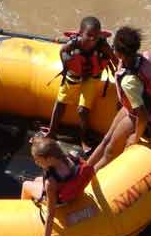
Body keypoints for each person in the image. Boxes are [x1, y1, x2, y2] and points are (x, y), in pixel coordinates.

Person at [87, 26, 151, 171]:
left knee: (109, 150)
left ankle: (88, 177)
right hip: (133, 108)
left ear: (120, 53)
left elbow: (143, 115)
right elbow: (121, 63)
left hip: (137, 117)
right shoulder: (146, 58)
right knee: (107, 138)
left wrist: (136, 137)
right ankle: (86, 166)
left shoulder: (129, 83)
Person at [45, 16, 118, 153]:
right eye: (89, 35)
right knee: (60, 102)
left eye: (95, 36)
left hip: (92, 77)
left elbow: (114, 59)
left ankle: (84, 138)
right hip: (74, 74)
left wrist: (119, 76)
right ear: (80, 33)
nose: (92, 39)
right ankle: (52, 132)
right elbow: (62, 51)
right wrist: (67, 63)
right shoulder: (74, 43)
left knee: (83, 110)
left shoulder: (102, 45)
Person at [21, 135, 95, 236]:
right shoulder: (73, 156)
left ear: (48, 158)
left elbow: (51, 213)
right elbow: (87, 171)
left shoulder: (51, 181)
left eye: (38, 160)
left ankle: (22, 212)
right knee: (37, 179)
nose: (36, 163)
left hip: (60, 201)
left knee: (26, 185)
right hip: (71, 191)